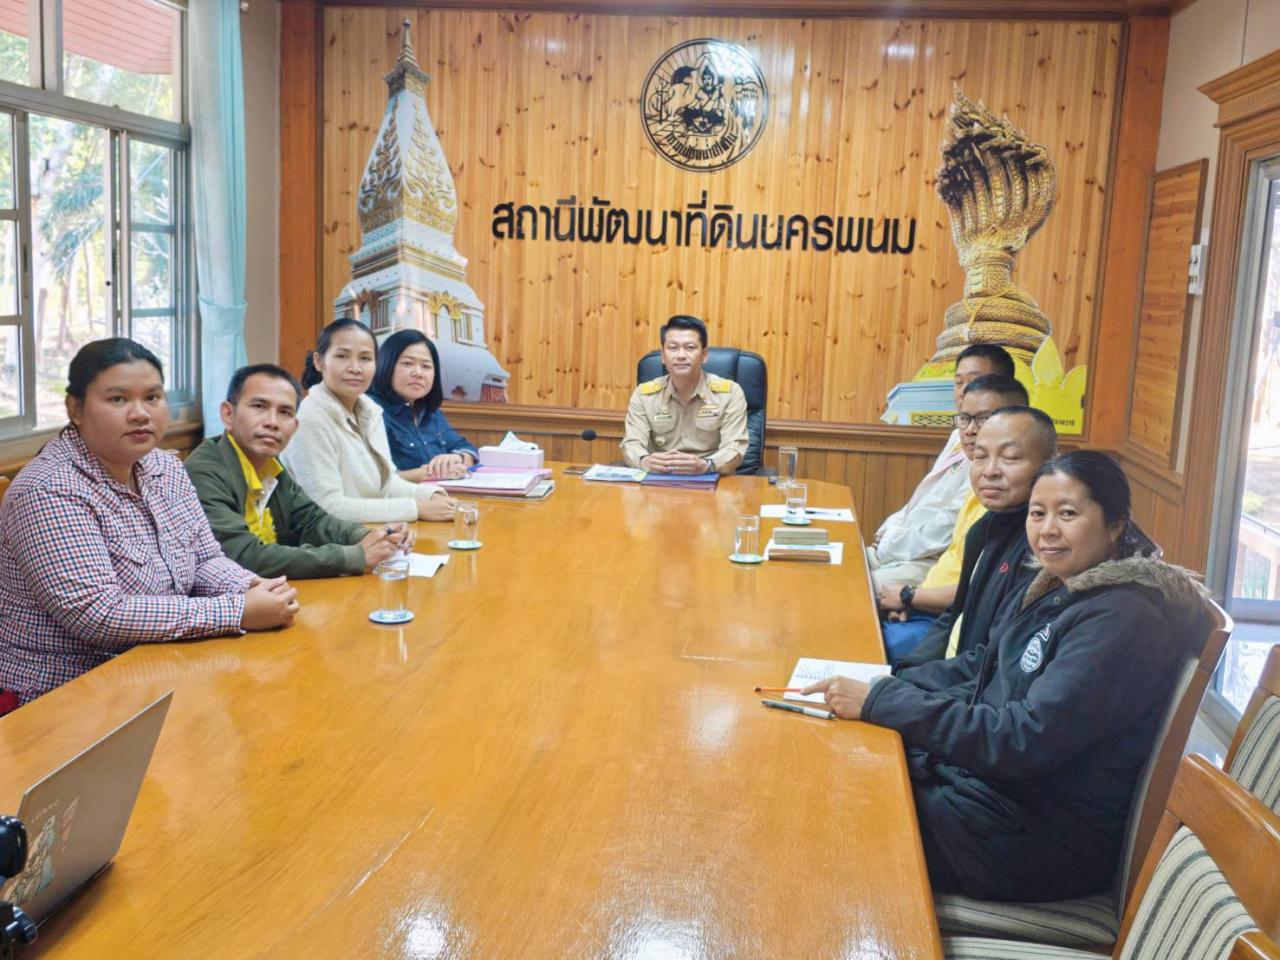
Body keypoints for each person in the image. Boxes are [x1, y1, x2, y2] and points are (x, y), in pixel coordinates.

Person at [804, 452, 1207, 903]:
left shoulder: (1121, 619)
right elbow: (983, 667)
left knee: (833, 811)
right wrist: (885, 683)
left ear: (1115, 526)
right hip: (988, 796)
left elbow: (1023, 739)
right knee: (837, 766)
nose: (1047, 529)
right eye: (1037, 513)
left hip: (1035, 839)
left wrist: (888, 701)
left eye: (1067, 514)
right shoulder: (1057, 584)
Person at [0, 339, 298, 707]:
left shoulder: (165, 467)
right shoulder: (48, 490)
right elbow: (99, 613)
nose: (140, 414)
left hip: (159, 666)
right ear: (75, 408)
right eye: (118, 399)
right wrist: (237, 610)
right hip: (60, 697)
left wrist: (251, 586)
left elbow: (205, 558)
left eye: (153, 398)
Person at [186, 364, 414, 580]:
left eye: (284, 412)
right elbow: (242, 556)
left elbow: (313, 521)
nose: (272, 422)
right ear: (228, 414)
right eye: (259, 407)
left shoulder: (270, 466)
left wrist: (369, 536)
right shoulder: (204, 472)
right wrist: (354, 557)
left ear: (295, 426)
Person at [876, 374, 1028, 663]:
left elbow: (976, 596)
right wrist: (911, 600)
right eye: (965, 419)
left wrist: (909, 596)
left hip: (948, 627)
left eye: (983, 419)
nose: (971, 430)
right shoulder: (977, 490)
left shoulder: (1018, 515)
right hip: (928, 610)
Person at [896, 405, 1058, 668]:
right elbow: (955, 615)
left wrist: (898, 687)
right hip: (945, 676)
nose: (989, 471)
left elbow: (990, 663)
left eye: (1010, 458)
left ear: (1049, 466)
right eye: (980, 457)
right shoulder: (985, 527)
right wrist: (907, 671)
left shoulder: (1043, 549)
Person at [867, 344, 1016, 589]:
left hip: (932, 560)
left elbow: (949, 526)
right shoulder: (960, 434)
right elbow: (921, 498)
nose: (964, 391)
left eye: (975, 381)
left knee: (853, 588)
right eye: (958, 382)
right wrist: (891, 529)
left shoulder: (997, 458)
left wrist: (891, 543)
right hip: (899, 546)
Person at [281, 319, 456, 524]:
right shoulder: (309, 419)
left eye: (365, 358)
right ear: (319, 362)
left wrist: (432, 495)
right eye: (342, 356)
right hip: (324, 539)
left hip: (369, 531)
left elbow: (387, 485)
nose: (355, 368)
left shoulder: (370, 411)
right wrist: (417, 509)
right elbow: (326, 506)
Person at [621, 315, 749, 475]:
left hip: (711, 476)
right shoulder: (644, 395)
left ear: (704, 355)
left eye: (690, 347)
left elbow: (734, 447)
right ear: (663, 356)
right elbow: (632, 443)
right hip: (660, 478)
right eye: (673, 348)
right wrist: (643, 460)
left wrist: (706, 465)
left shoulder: (730, 393)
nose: (681, 355)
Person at [369, 330, 479, 482]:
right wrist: (433, 473)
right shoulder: (370, 410)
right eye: (408, 364)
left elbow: (467, 448)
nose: (418, 373)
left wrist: (457, 458)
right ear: (386, 364)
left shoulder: (431, 413)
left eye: (426, 366)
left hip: (440, 493)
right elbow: (371, 481)